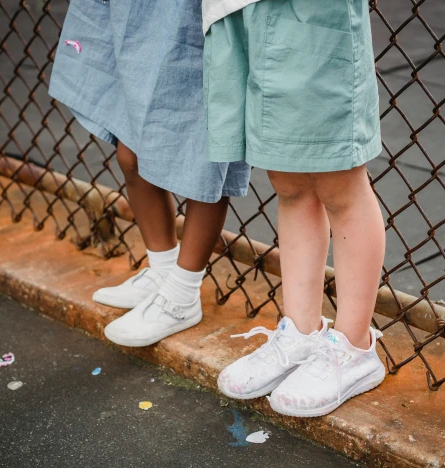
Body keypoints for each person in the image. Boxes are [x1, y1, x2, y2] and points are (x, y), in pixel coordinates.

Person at [204, 0, 388, 417]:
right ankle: (302, 332)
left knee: (339, 180)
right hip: (238, 9)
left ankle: (355, 347)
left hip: (309, 12)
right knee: (287, 181)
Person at [49, 0, 250, 347]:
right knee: (131, 151)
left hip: (198, 14)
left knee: (206, 154)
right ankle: (162, 271)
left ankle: (182, 294)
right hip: (142, 15)